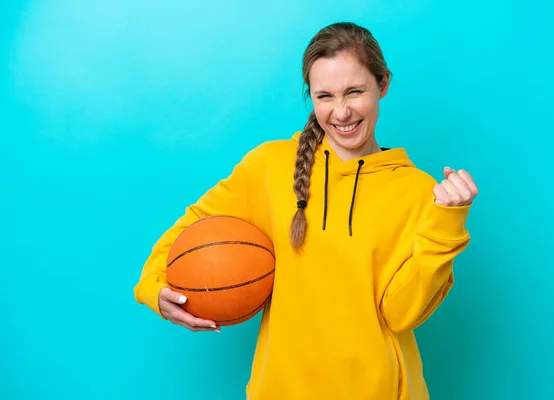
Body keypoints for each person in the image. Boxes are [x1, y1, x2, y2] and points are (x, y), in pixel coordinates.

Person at [134, 21, 478, 400]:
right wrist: (158, 289)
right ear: (310, 97)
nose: (341, 112)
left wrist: (447, 222)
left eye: (355, 92)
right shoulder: (268, 166)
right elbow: (194, 227)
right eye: (325, 96)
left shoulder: (416, 192)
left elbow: (401, 314)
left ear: (383, 85)